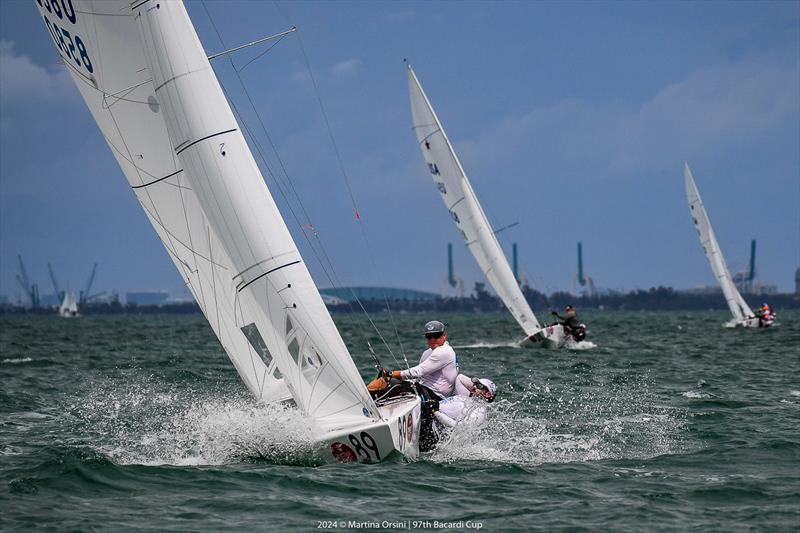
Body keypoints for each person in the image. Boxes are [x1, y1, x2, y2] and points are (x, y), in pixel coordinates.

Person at [386, 320, 459, 399]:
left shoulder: (444, 351)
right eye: (429, 336)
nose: (432, 339)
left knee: (390, 383)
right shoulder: (427, 353)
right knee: (389, 383)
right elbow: (418, 378)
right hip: (424, 389)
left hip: (436, 396)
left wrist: (391, 374)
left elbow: (418, 372)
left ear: (444, 335)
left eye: (436, 336)